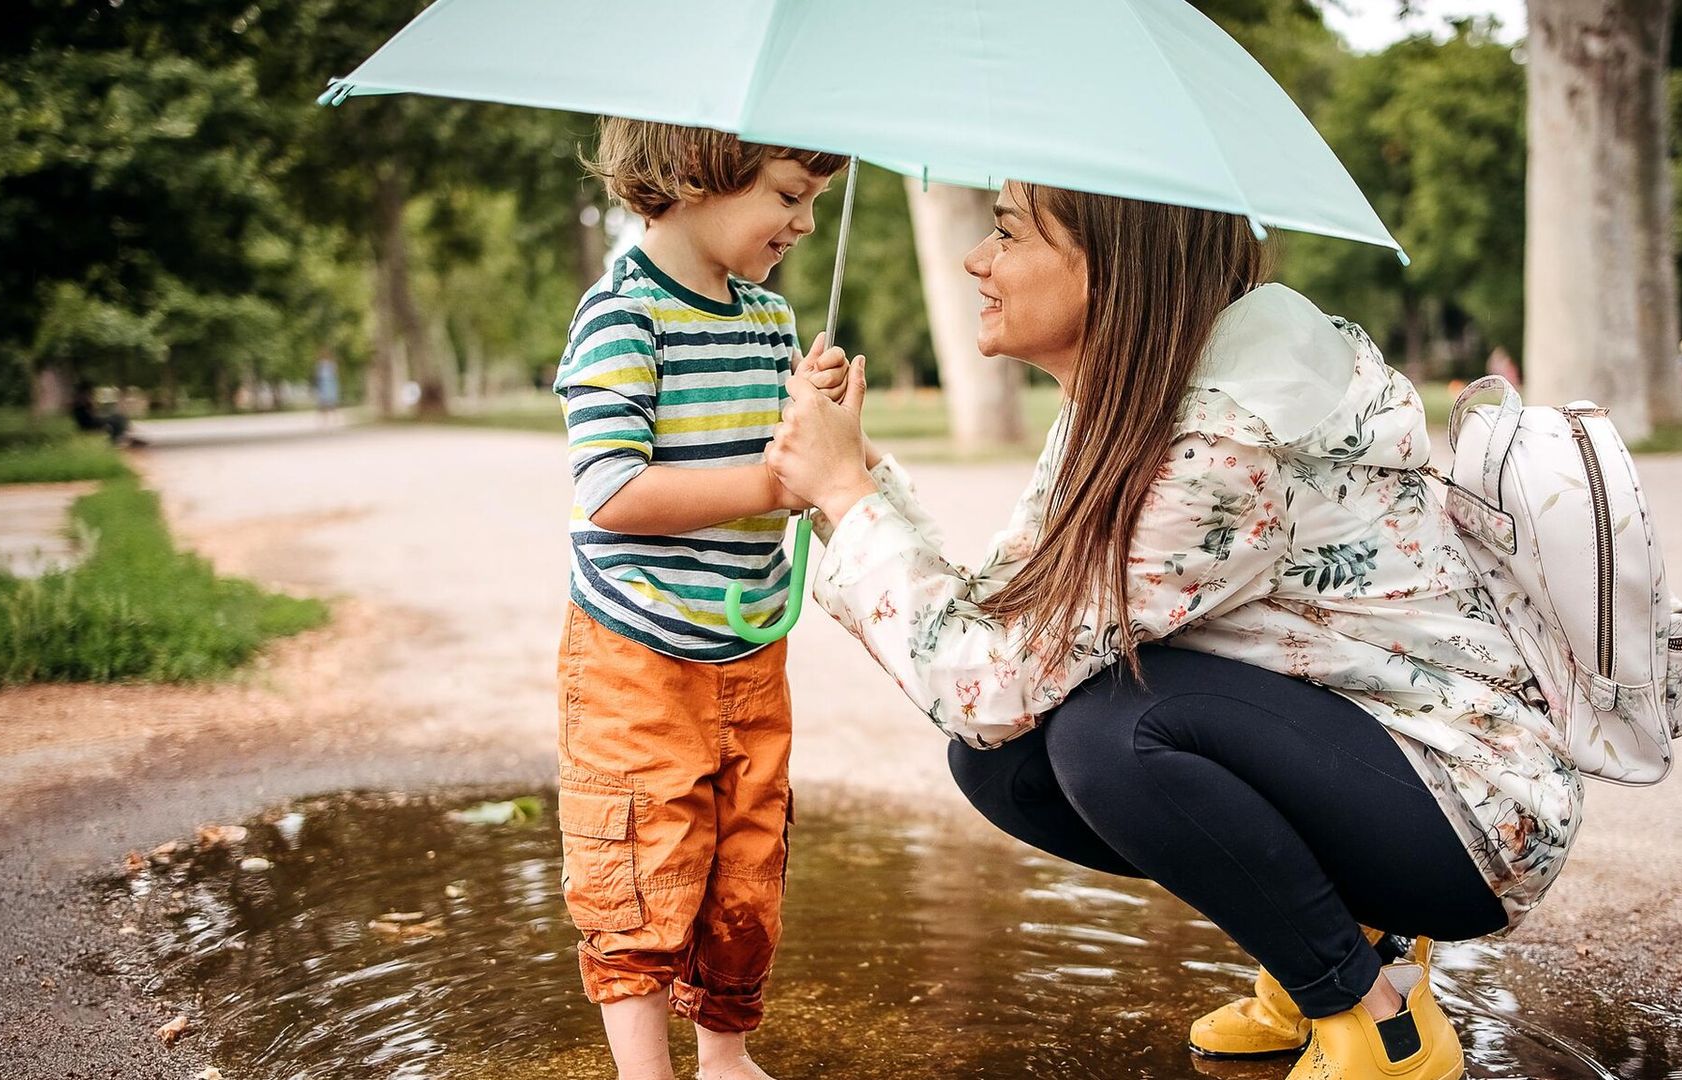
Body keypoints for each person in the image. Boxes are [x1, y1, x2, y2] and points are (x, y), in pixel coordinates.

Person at [764, 181, 1582, 1080]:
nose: (976, 260)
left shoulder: (1220, 443)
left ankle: (1376, 1025)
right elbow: (1004, 629)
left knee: (1113, 736)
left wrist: (848, 496)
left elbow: (982, 687)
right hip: (1363, 759)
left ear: (1110, 262)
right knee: (1006, 765)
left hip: (1467, 813)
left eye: (1006, 234)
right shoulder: (1129, 399)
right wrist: (864, 485)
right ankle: (1337, 943)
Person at [553, 118, 850, 1080]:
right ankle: (646, 1072)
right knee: (642, 850)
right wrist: (774, 484)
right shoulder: (622, 316)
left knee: (747, 862)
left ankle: (725, 1058)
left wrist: (813, 419)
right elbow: (612, 489)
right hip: (637, 645)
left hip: (749, 643)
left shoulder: (769, 320)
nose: (803, 224)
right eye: (787, 194)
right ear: (694, 172)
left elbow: (795, 459)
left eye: (814, 203)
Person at [314, 354, 342, 424]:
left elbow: (335, 375)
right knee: (324, 404)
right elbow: (318, 377)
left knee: (331, 404)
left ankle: (333, 419)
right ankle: (326, 420)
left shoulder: (330, 365)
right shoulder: (320, 365)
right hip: (324, 386)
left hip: (329, 386)